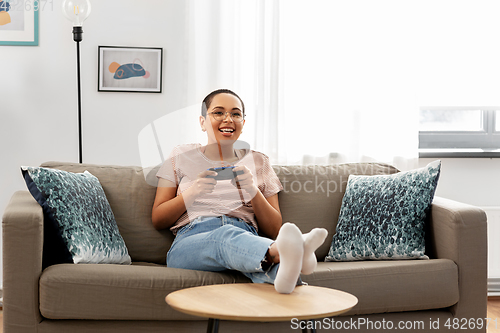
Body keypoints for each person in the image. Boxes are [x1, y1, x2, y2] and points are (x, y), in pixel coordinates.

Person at [152, 89, 327, 294]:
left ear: (243, 123)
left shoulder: (259, 161)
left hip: (245, 239)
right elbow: (158, 219)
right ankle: (284, 250)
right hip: (191, 241)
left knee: (286, 273)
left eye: (236, 114)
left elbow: (274, 228)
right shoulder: (180, 155)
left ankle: (286, 262)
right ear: (202, 122)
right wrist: (193, 193)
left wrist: (252, 190)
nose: (228, 119)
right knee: (225, 235)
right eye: (218, 112)